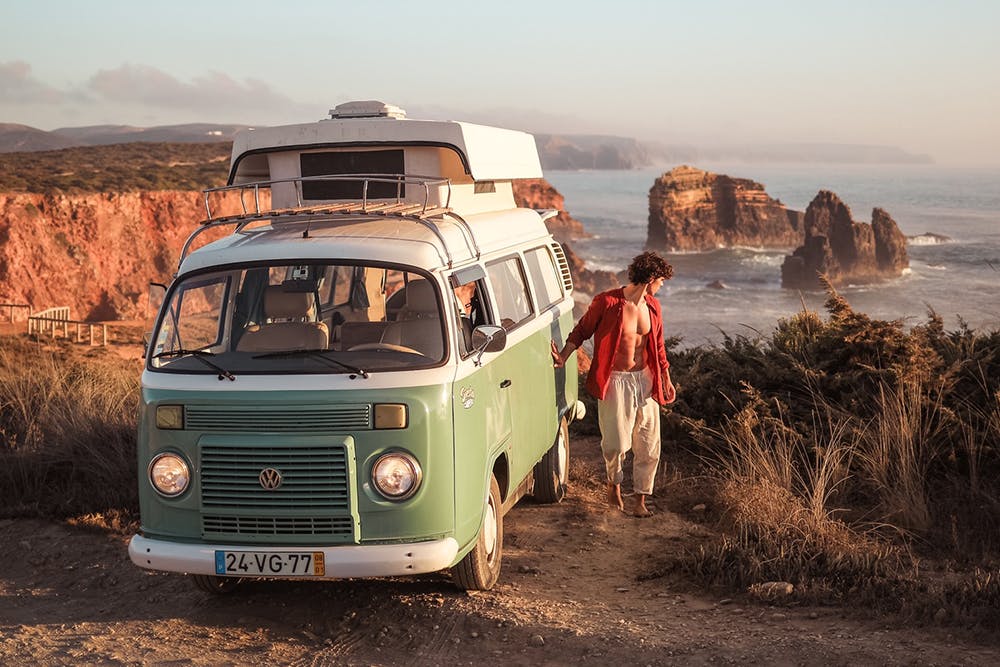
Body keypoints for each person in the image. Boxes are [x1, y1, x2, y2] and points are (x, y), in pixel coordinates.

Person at [551, 251, 676, 517]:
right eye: (661, 280)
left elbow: (659, 345)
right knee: (616, 443)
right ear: (651, 277)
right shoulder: (606, 302)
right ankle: (614, 484)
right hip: (616, 379)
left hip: (645, 379)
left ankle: (641, 499)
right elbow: (582, 330)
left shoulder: (652, 307)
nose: (662, 286)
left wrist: (665, 376)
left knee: (649, 443)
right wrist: (563, 356)